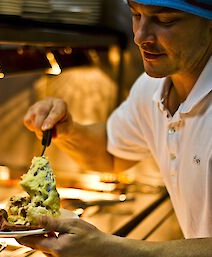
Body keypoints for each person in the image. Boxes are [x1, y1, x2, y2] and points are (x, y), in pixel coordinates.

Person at [18, 0, 212, 256]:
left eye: (165, 20)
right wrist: (67, 131)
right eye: (136, 15)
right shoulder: (152, 89)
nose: (141, 36)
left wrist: (111, 249)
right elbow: (111, 153)